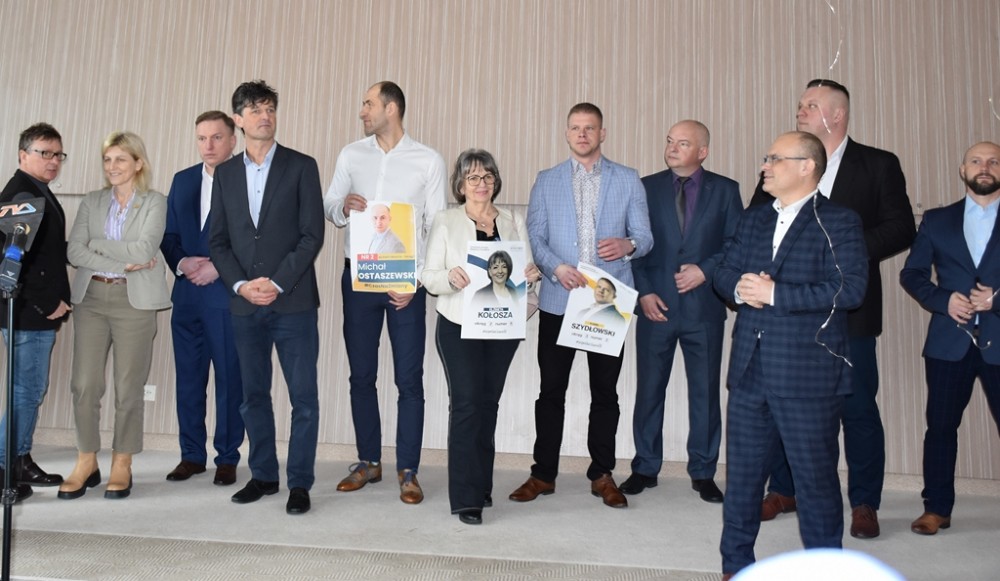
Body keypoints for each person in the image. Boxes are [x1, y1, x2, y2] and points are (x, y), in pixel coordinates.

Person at [750, 79, 915, 538]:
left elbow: (901, 228)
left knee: (857, 408)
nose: (800, 111)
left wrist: (839, 253)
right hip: (785, 314)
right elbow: (755, 222)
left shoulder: (878, 164)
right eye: (800, 105)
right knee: (784, 406)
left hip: (849, 314)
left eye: (810, 105)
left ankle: (864, 502)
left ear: (837, 115)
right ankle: (784, 490)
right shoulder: (780, 162)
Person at [715, 131, 868, 579]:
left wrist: (776, 293)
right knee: (743, 480)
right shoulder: (754, 218)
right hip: (749, 369)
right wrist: (739, 287)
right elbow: (724, 269)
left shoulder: (838, 220)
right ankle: (735, 566)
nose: (765, 166)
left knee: (814, 482)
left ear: (807, 166)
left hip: (807, 373)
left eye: (775, 159)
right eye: (767, 158)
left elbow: (850, 289)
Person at [511, 102, 652, 509]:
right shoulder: (547, 180)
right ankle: (543, 474)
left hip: (608, 303)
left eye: (590, 128)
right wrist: (556, 268)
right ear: (567, 133)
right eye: (576, 128)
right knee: (550, 391)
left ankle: (602, 474)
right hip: (560, 300)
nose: (583, 134)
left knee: (604, 392)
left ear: (602, 133)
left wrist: (628, 245)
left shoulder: (628, 179)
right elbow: (535, 236)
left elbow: (645, 237)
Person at [324, 81, 447, 505]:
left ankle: (408, 470)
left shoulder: (428, 160)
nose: (362, 111)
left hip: (405, 285)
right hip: (358, 280)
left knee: (409, 379)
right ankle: (368, 461)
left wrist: (416, 281)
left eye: (368, 104)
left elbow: (436, 225)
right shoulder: (350, 154)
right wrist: (342, 206)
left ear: (391, 108)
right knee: (361, 375)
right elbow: (329, 204)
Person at [209, 80, 324, 515]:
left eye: (270, 108)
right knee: (252, 395)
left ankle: (300, 483)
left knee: (303, 398)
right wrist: (241, 285)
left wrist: (276, 282)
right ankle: (263, 475)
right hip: (244, 304)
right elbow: (218, 241)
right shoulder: (225, 174)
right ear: (238, 119)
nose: (265, 116)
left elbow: (312, 235)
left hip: (292, 301)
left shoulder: (302, 166)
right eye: (256, 109)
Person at [624, 120, 743, 503]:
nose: (673, 148)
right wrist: (643, 293)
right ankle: (645, 467)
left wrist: (705, 270)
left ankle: (704, 471)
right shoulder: (645, 187)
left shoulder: (725, 190)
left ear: (702, 152)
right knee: (649, 391)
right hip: (655, 307)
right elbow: (633, 244)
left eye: (683, 143)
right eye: (670, 141)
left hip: (703, 309)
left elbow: (736, 244)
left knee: (705, 394)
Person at [422, 149, 541, 525]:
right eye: (473, 177)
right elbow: (429, 276)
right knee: (467, 405)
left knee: (488, 405)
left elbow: (525, 275)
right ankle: (466, 498)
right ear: (460, 184)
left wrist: (531, 275)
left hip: (502, 327)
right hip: (458, 325)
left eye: (488, 176)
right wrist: (449, 277)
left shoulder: (512, 220)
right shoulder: (445, 220)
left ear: (496, 182)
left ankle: (481, 484)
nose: (481, 183)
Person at [62, 131, 171, 500]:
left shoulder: (155, 202)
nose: (112, 166)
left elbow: (144, 248)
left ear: (138, 163)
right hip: (91, 299)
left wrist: (98, 246)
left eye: (121, 159)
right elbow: (75, 252)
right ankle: (86, 459)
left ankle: (122, 460)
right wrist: (122, 260)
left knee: (128, 386)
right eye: (107, 159)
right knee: (84, 384)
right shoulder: (92, 201)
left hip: (133, 302)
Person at [899, 141, 1000, 536]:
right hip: (948, 343)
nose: (985, 166)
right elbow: (912, 274)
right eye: (976, 160)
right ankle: (936, 509)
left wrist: (996, 300)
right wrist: (944, 300)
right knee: (940, 429)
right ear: (963, 170)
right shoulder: (937, 220)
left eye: (993, 161)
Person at [160, 110, 244, 486]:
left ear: (233, 141)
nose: (208, 145)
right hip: (186, 297)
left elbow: (255, 240)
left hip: (225, 297)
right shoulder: (182, 180)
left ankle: (227, 457)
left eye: (216, 137)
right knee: (189, 380)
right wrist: (181, 263)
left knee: (229, 380)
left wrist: (218, 268)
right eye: (201, 138)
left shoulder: (248, 180)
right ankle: (191, 455)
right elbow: (169, 235)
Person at [0, 123, 72, 502]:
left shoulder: (37, 190)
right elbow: (13, 260)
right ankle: (5, 467)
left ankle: (20, 460)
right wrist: (48, 302)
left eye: (58, 154)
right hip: (27, 311)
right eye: (45, 153)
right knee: (25, 391)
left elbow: (45, 251)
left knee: (28, 390)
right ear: (22, 154)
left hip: (30, 311)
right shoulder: (22, 195)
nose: (53, 161)